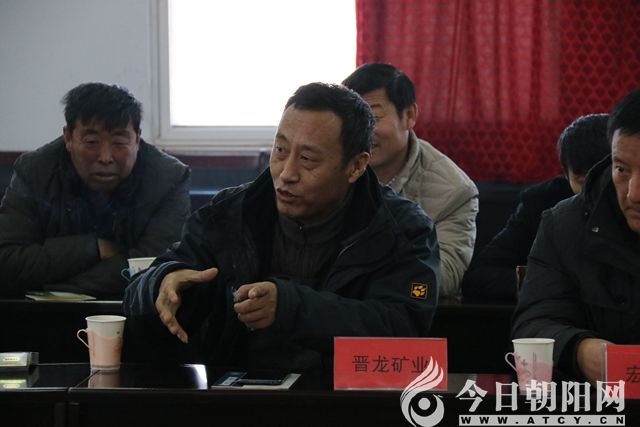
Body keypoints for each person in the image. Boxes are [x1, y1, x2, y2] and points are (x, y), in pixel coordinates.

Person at [123, 82, 440, 376]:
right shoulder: (230, 213)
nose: (286, 173)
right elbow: (143, 285)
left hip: (345, 400)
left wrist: (290, 307)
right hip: (234, 397)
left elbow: (404, 324)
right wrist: (162, 281)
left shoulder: (403, 230)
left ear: (356, 166)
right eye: (280, 151)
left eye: (308, 159)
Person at [0, 82, 190, 298]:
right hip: (38, 311)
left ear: (137, 138)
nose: (105, 157)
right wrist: (92, 248)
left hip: (135, 309)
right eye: (92, 142)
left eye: (119, 142)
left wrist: (57, 283)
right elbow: (6, 260)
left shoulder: (168, 178)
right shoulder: (36, 171)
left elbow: (157, 267)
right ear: (68, 137)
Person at [511, 88, 640, 383]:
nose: (634, 194)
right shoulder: (565, 224)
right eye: (622, 169)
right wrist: (580, 350)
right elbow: (534, 323)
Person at [342, 63, 478, 297]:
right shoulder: (331, 164)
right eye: (351, 120)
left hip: (405, 310)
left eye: (373, 118)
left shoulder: (454, 191)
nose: (361, 132)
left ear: (410, 116)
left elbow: (444, 277)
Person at [462, 114, 610, 300]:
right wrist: (553, 284)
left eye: (605, 179)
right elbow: (481, 276)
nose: (595, 192)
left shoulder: (633, 203)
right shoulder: (541, 203)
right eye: (582, 182)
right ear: (565, 175)